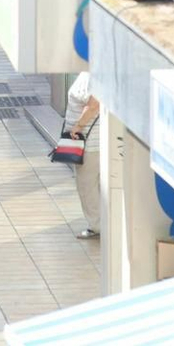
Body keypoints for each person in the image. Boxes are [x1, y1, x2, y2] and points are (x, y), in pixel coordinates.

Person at [65, 72, 102, 239]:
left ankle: (96, 225)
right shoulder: (89, 73)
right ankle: (100, 223)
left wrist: (78, 126)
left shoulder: (93, 75)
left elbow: (95, 104)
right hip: (89, 141)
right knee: (93, 185)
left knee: (86, 185)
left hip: (89, 142)